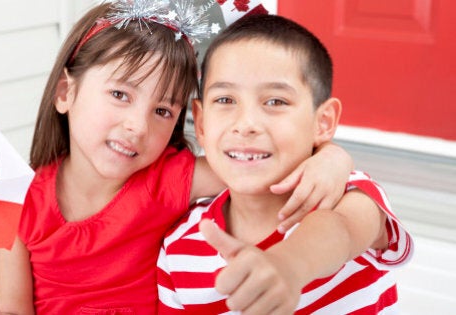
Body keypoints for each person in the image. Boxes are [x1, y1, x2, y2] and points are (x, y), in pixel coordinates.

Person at [0, 2, 360, 314]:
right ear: (65, 93)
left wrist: (331, 157)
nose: (137, 126)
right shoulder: (17, 202)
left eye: (162, 110)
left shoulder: (170, 179)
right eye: (120, 95)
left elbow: (260, 164)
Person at [157, 13, 414, 314]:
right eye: (225, 100)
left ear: (323, 122)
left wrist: (289, 264)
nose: (246, 124)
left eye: (275, 102)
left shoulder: (350, 195)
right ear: (200, 123)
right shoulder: (178, 247)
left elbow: (340, 230)